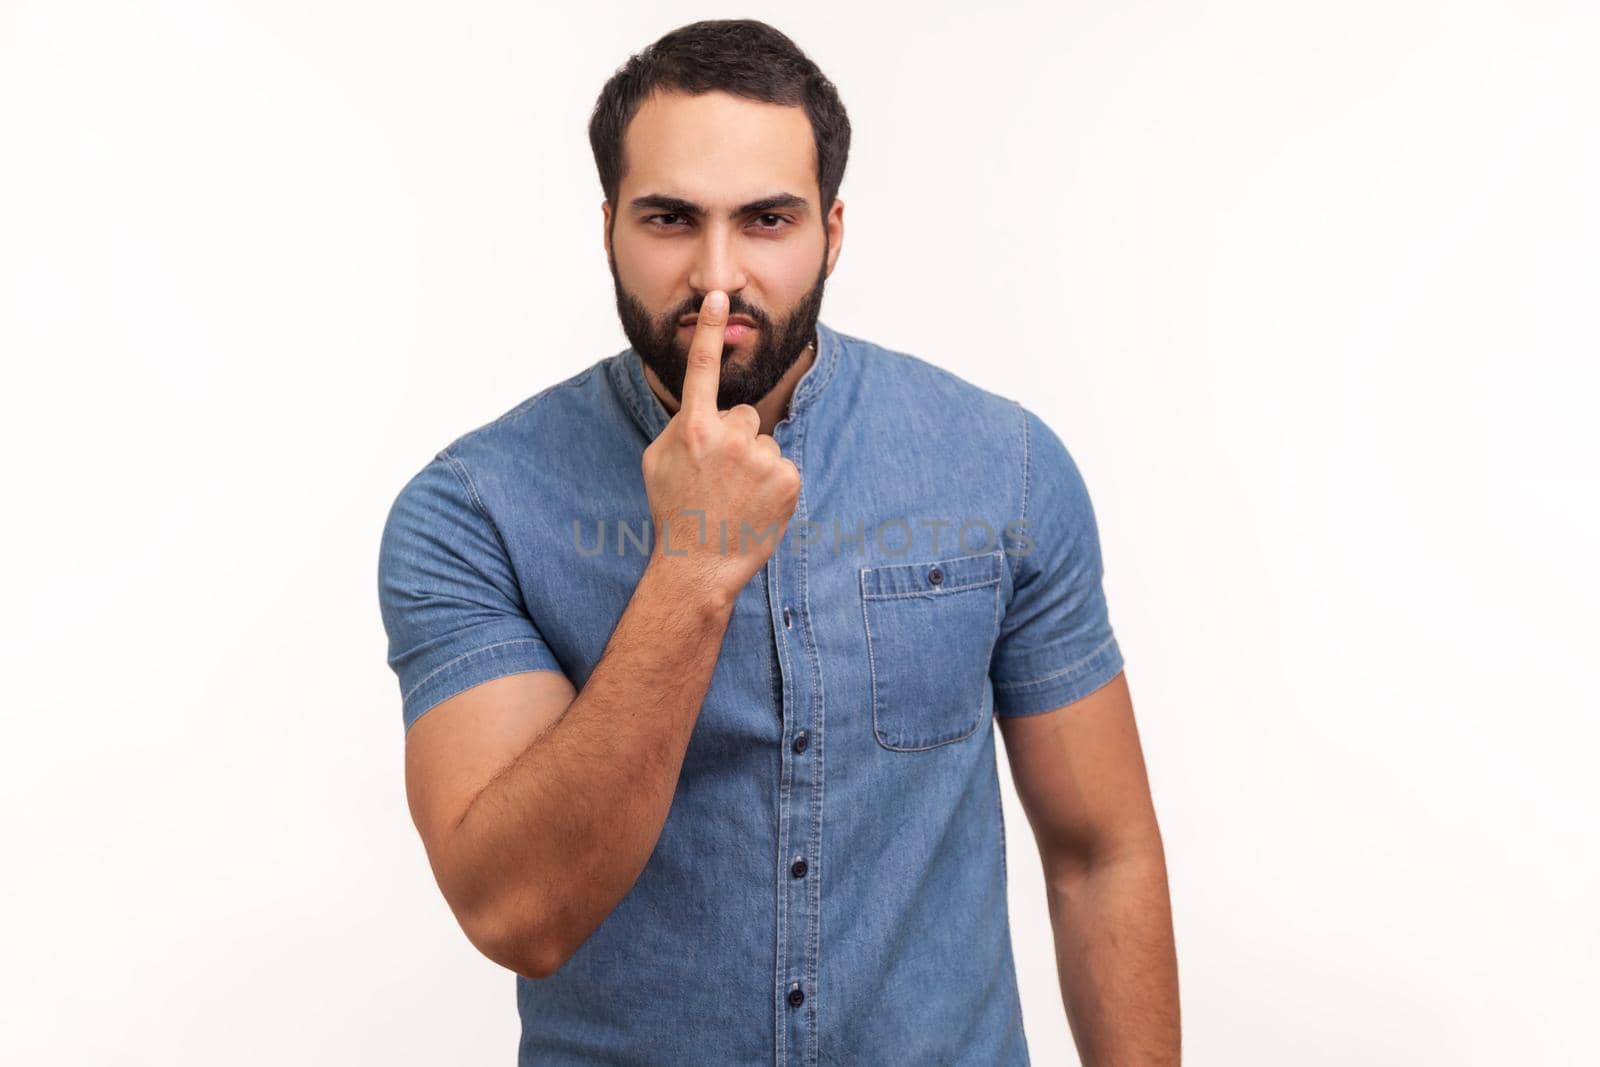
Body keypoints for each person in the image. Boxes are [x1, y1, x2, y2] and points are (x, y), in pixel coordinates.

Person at [377, 18, 1179, 1066]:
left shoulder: (1004, 466)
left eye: (766, 219)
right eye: (670, 218)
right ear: (609, 226)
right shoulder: (472, 510)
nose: (719, 277)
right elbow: (519, 912)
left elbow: (1098, 853)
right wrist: (693, 563)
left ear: (832, 232)